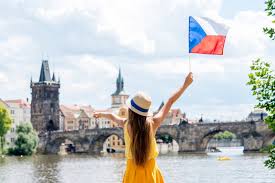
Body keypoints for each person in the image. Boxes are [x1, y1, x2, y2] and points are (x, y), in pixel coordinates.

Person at [94, 72, 193, 183]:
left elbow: (112, 116)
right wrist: (185, 84)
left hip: (132, 175)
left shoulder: (126, 124)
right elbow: (170, 101)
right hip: (151, 174)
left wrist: (101, 114)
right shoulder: (153, 123)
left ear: (130, 110)